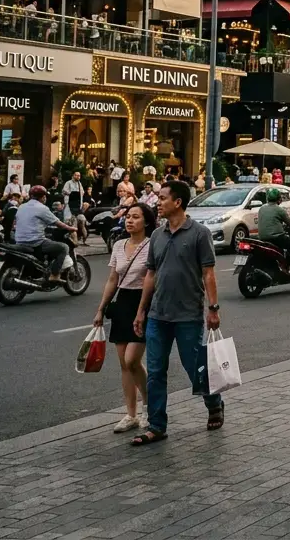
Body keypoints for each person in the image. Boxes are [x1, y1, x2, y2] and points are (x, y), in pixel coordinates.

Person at [131, 181, 223, 445]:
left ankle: (214, 402)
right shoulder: (157, 236)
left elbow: (208, 273)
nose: (157, 203)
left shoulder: (199, 233)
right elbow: (151, 274)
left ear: (178, 202)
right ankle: (157, 425)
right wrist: (141, 311)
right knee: (156, 370)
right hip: (158, 315)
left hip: (188, 315)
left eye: (162, 198)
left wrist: (213, 309)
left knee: (195, 367)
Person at [93, 202, 155, 432]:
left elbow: (152, 278)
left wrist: (142, 309)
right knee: (124, 365)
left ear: (146, 222)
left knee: (132, 360)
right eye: (128, 216)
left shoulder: (151, 246)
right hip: (122, 303)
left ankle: (149, 407)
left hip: (143, 303)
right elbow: (112, 280)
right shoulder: (119, 245)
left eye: (136, 217)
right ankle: (131, 415)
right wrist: (101, 308)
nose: (129, 220)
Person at [15, 184, 76, 281]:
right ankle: (55, 275)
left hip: (19, 241)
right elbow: (58, 223)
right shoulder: (42, 208)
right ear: (43, 197)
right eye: (45, 196)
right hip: (35, 242)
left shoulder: (22, 206)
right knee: (64, 247)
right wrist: (70, 228)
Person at [257, 187, 290, 275]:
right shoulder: (279, 210)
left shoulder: (262, 208)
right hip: (276, 237)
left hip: (262, 238)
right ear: (279, 199)